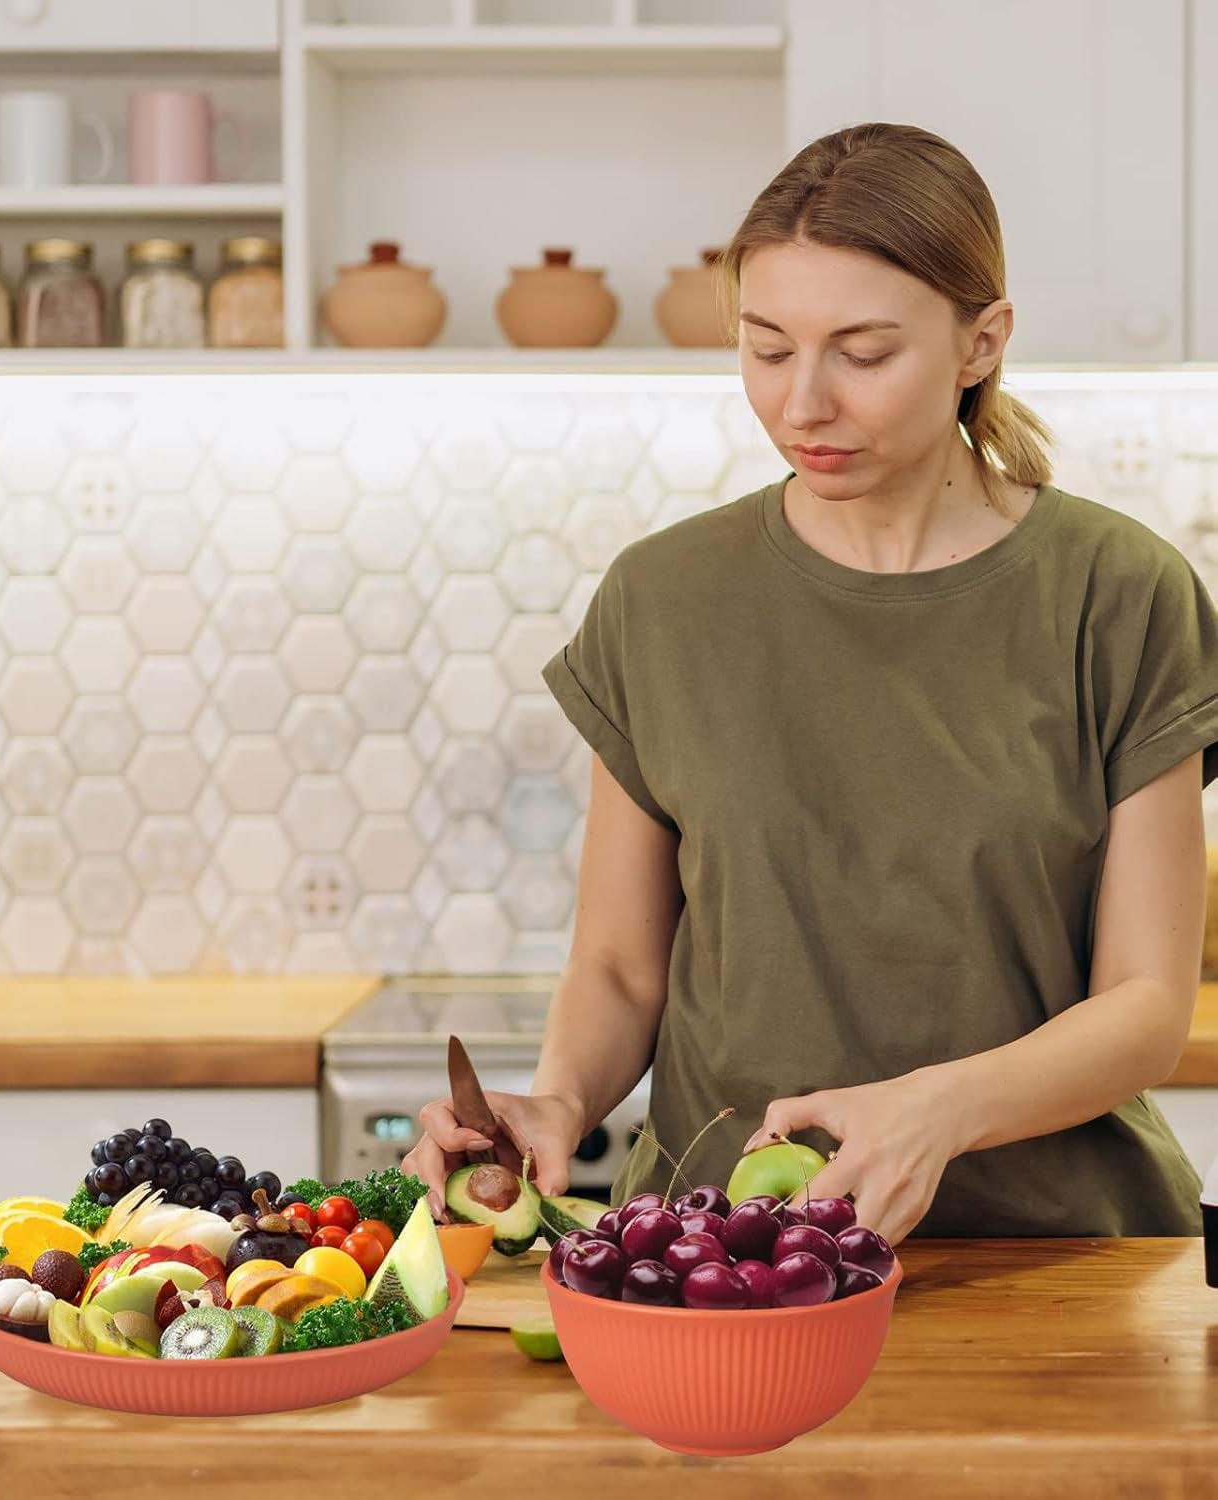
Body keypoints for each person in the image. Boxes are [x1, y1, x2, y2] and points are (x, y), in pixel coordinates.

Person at [403, 122, 1218, 1245]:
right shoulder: (663, 598)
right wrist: (559, 1100)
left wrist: (935, 1113)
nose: (802, 404)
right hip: (715, 1257)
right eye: (768, 348)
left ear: (981, 343)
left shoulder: (1118, 593)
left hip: (1051, 1251)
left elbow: (1145, 1007)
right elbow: (620, 967)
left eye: (864, 354)